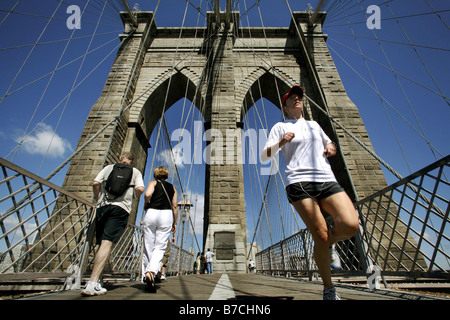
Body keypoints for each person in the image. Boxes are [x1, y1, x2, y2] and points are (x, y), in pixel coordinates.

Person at [261, 85, 359, 300]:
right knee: (321, 233)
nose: (297, 99)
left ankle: (327, 245)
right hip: (299, 182)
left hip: (326, 179)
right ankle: (329, 288)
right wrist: (281, 142)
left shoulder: (314, 125)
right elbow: (264, 156)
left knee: (351, 225)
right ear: (285, 107)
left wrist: (331, 145)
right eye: (291, 98)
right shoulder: (279, 127)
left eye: (299, 97)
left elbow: (327, 142)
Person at [81, 152, 145, 296]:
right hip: (120, 209)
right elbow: (140, 189)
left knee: (100, 242)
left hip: (102, 207)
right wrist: (132, 197)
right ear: (132, 161)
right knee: (107, 243)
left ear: (121, 158)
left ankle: (96, 279)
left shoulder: (109, 167)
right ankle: (92, 283)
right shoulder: (135, 171)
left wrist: (99, 199)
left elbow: (95, 183)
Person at [141, 166, 178, 292]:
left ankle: (146, 274)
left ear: (156, 174)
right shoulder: (172, 187)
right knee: (160, 246)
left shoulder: (153, 183)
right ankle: (152, 271)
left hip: (151, 213)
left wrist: (147, 203)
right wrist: (175, 223)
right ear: (166, 175)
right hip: (166, 215)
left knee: (148, 245)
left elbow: (147, 194)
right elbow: (174, 206)